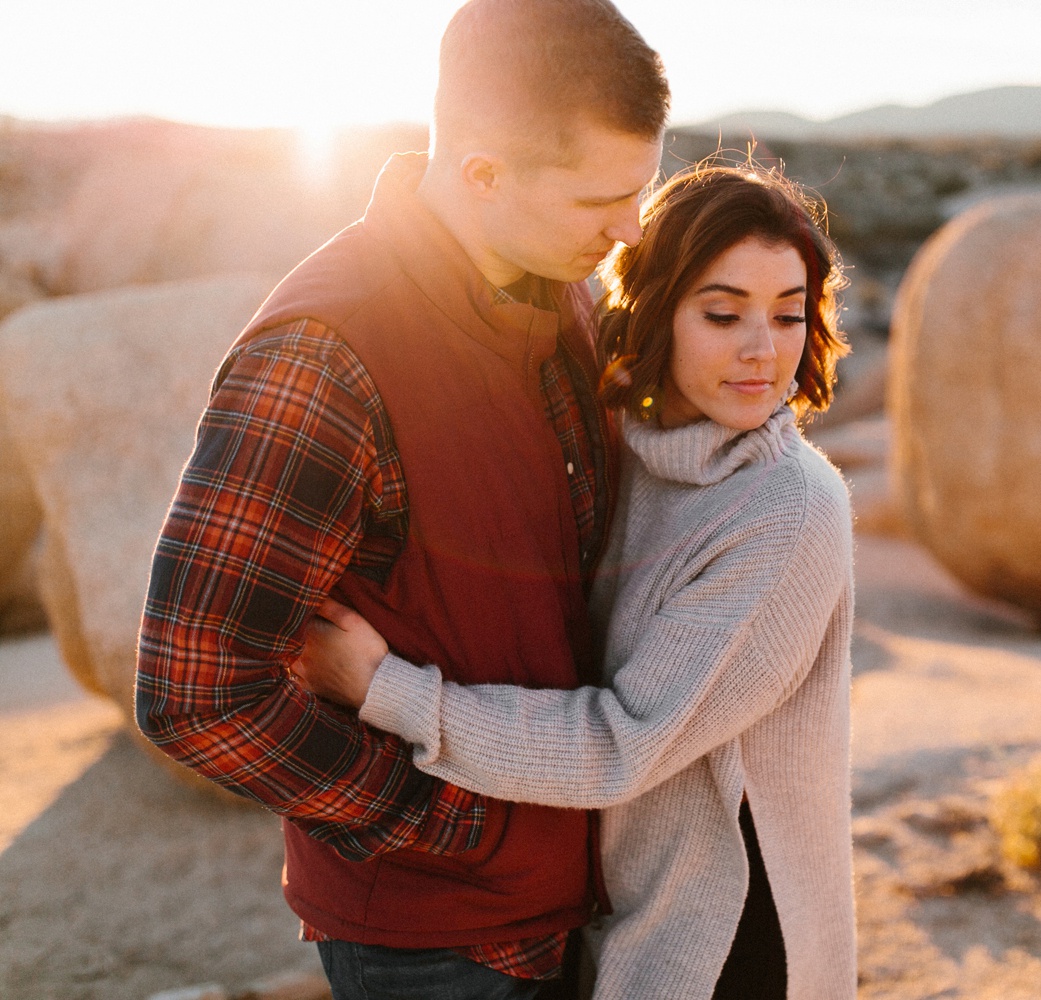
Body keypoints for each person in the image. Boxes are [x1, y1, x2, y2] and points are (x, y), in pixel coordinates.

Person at [133, 1, 669, 997]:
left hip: (584, 906)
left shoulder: (568, 300)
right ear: (481, 173)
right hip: (433, 948)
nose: (629, 229)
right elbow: (195, 690)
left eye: (641, 190)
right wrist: (449, 825)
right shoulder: (324, 356)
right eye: (601, 199)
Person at [295, 165, 858, 1000]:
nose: (762, 351)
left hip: (722, 938)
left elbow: (622, 745)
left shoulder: (787, 511)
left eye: (787, 314)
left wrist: (382, 688)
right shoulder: (620, 447)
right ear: (656, 308)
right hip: (612, 911)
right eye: (722, 313)